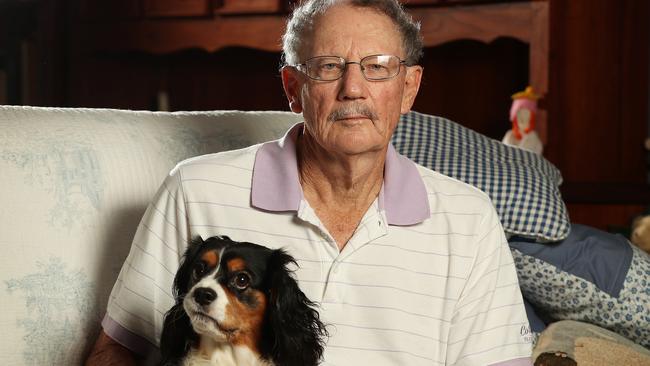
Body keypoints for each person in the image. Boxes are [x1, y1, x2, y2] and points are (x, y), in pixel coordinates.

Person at [86, 0, 533, 365]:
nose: (353, 88)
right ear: (292, 86)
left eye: (377, 67)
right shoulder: (194, 189)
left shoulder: (468, 217)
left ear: (409, 87)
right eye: (327, 67)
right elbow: (118, 350)